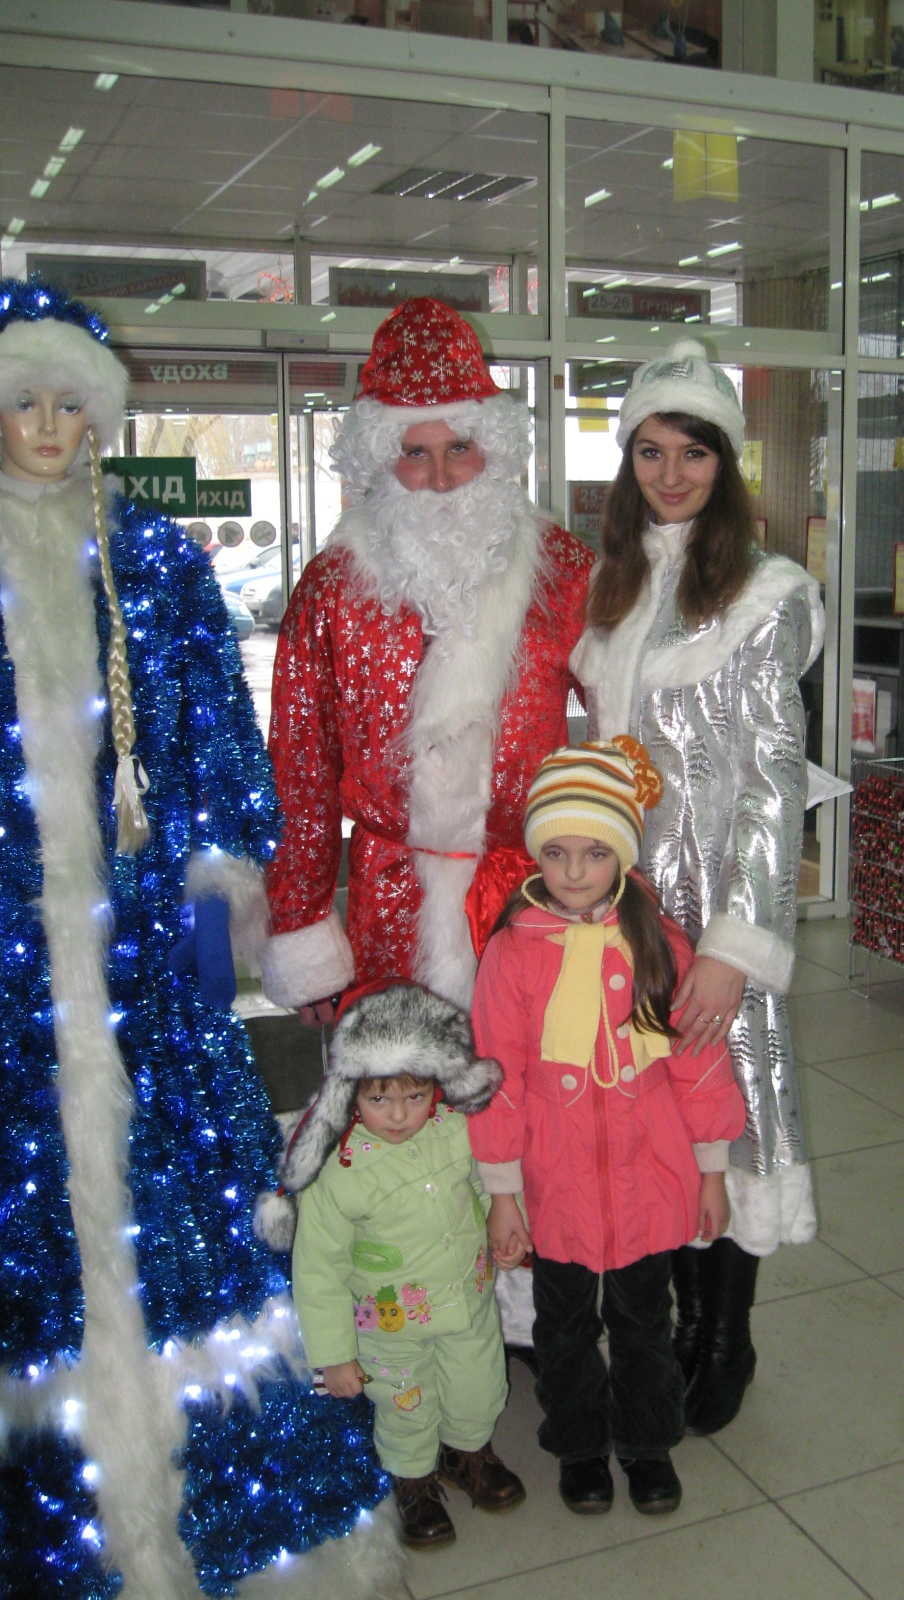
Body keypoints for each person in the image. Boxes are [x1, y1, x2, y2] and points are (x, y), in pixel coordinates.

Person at [0, 280, 398, 1598]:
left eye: (68, 405)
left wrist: (213, 896)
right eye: (22, 403)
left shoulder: (158, 560)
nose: (46, 429)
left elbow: (223, 740)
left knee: (188, 1224)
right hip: (11, 981)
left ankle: (229, 1522)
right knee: (35, 1236)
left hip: (146, 978)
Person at [261, 298, 592, 1350]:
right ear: (377, 459)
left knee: (527, 1090)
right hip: (388, 894)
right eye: (415, 452)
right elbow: (299, 765)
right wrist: (303, 924)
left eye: (460, 449)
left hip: (525, 896)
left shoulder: (563, 574)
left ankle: (527, 1305)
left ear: (494, 450)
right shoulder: (332, 588)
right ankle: (401, 1314)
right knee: (395, 1101)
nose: (442, 476)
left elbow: (626, 714)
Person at [569, 339, 825, 1436]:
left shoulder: (765, 594)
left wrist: (734, 945)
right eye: (650, 452)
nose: (671, 474)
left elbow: (774, 780)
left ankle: (727, 1334)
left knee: (736, 1116)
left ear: (726, 462)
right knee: (658, 1118)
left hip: (716, 904)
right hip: (625, 911)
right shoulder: (612, 587)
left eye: (694, 452)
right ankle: (671, 1319)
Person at [469, 740, 747, 1516]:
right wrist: (502, 1193)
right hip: (554, 1184)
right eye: (556, 853)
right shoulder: (513, 953)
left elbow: (697, 1066)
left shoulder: (658, 942)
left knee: (644, 1324)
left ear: (622, 853)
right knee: (562, 1328)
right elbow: (497, 1080)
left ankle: (647, 1443)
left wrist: (713, 1171)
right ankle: (580, 1446)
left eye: (595, 852)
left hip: (646, 1178)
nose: (574, 871)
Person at [277, 980, 524, 1551]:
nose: (398, 1115)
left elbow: (486, 1187)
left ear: (437, 1084)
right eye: (378, 1100)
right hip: (390, 1329)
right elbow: (318, 1270)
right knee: (405, 1407)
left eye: (415, 1096)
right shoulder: (338, 1172)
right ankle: (413, 1481)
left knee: (477, 1385)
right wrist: (334, 1355)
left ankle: (468, 1453)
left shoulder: (456, 1129)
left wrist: (507, 1223)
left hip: (466, 1304)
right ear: (349, 1094)